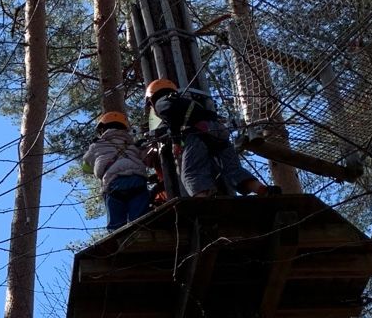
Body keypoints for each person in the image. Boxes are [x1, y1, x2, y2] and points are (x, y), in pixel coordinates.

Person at [144, 78, 272, 198]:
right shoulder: (189, 102)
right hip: (217, 131)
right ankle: (262, 190)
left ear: (151, 99)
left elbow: (172, 116)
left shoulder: (161, 102)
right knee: (232, 169)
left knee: (191, 174)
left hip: (196, 134)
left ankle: (203, 202)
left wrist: (176, 142)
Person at [82, 110, 153, 230]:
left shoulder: (96, 145)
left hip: (113, 185)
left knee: (116, 228)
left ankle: (119, 245)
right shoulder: (133, 147)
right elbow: (148, 161)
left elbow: (86, 168)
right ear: (125, 129)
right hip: (137, 182)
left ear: (102, 129)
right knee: (141, 223)